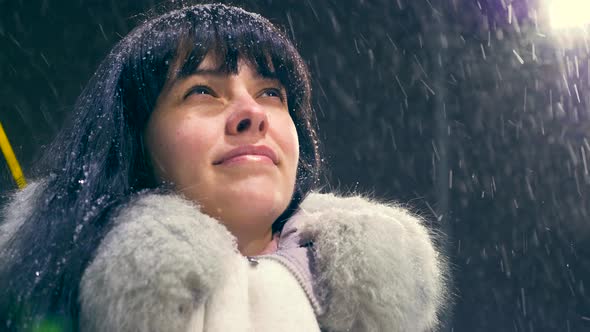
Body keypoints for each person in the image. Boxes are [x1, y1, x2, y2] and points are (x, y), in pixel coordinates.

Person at [0, 4, 448, 331]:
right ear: (132, 138)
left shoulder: (379, 306)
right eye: (201, 91)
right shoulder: (43, 307)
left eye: (272, 93)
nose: (252, 113)